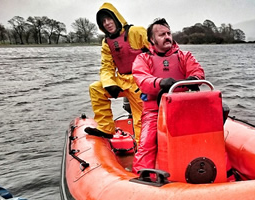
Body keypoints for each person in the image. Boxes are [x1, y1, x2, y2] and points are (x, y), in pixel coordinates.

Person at [131, 18, 205, 173]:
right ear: (152, 39)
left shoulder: (185, 56)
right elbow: (142, 79)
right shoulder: (143, 59)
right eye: (161, 35)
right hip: (155, 110)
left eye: (168, 33)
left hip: (183, 108)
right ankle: (142, 177)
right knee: (146, 144)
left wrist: (194, 79)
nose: (167, 37)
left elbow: (197, 72)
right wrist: (160, 82)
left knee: (202, 139)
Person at [85, 2, 150, 144]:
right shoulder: (106, 43)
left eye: (109, 19)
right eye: (103, 22)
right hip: (122, 81)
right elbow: (106, 66)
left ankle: (143, 153)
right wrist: (109, 84)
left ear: (116, 17)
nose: (107, 23)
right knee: (96, 88)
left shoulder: (137, 32)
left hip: (141, 82)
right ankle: (106, 128)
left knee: (140, 120)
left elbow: (157, 52)